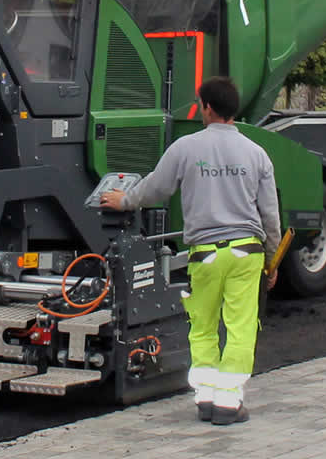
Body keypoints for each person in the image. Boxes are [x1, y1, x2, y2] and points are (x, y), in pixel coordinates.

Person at [101, 77, 281, 426]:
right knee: (241, 327)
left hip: (205, 255)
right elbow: (270, 216)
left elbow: (155, 188)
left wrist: (123, 200)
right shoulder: (257, 154)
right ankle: (229, 404)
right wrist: (272, 261)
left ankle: (206, 398)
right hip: (247, 252)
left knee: (202, 326)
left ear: (208, 108)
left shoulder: (186, 148)